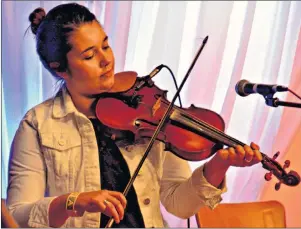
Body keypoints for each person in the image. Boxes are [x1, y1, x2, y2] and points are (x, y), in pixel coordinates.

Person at [6, 3, 262, 228]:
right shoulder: (38, 124)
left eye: (105, 46)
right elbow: (18, 215)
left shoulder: (147, 108)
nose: (106, 60)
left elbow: (179, 204)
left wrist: (218, 166)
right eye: (89, 55)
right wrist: (75, 201)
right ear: (60, 68)